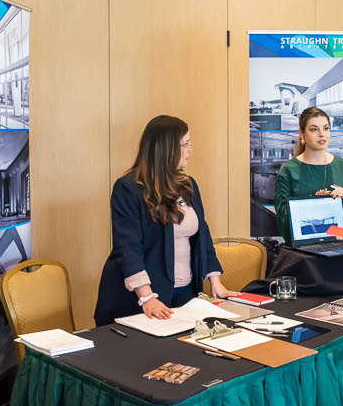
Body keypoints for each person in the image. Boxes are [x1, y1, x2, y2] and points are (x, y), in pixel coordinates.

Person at [94, 115, 238, 326]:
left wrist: (215, 281)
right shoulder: (129, 188)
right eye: (186, 144)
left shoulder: (188, 184)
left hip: (185, 293)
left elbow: (202, 234)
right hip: (140, 299)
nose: (190, 149)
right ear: (167, 148)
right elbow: (128, 247)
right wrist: (146, 296)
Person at [274, 106, 343, 245]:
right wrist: (313, 203)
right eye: (314, 129)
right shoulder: (288, 171)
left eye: (326, 128)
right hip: (306, 253)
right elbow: (283, 217)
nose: (322, 134)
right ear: (301, 133)